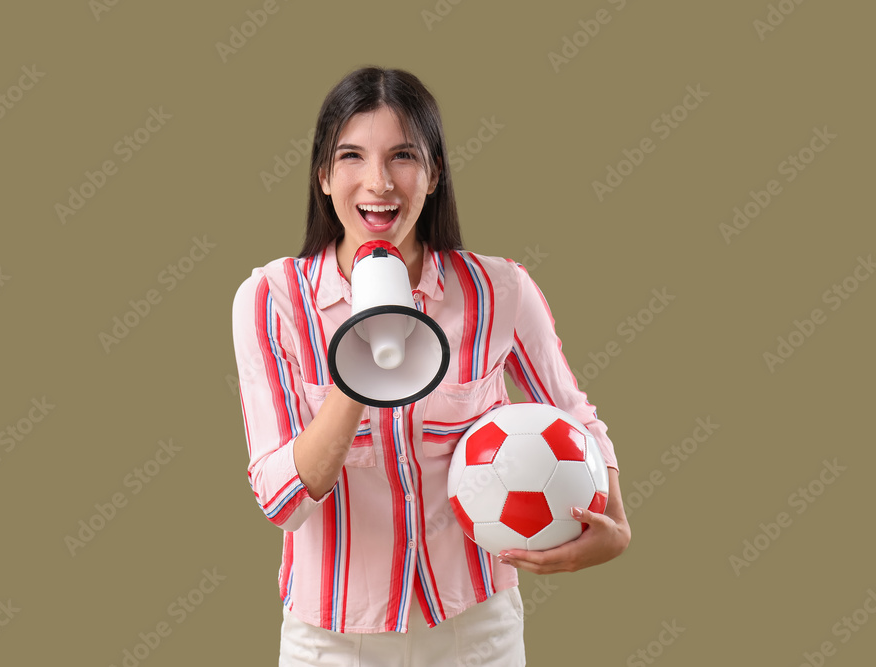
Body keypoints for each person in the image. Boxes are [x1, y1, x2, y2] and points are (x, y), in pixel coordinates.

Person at [232, 66, 630, 666]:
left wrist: (616, 527)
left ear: (435, 172)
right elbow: (283, 501)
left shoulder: (501, 290)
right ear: (323, 175)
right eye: (351, 156)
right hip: (333, 644)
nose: (379, 182)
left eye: (403, 156)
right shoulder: (271, 300)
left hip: (475, 632)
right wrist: (364, 358)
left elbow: (575, 416)